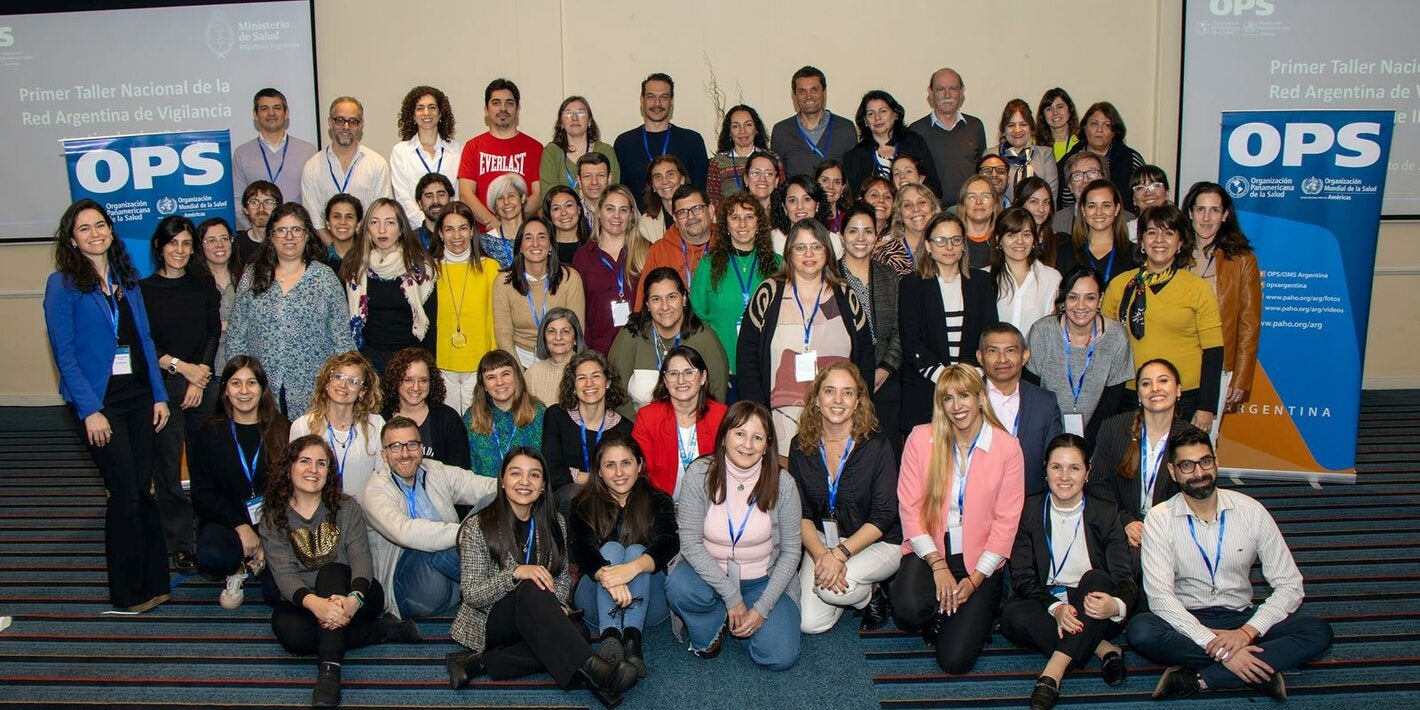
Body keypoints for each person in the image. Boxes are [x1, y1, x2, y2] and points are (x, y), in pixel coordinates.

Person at [1128, 427, 1333, 701]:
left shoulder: (1251, 510)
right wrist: (1211, 640)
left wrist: (1247, 633)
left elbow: (1290, 585)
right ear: (1173, 472)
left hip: (1242, 618)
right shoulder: (1159, 518)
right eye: (1187, 466)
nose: (1199, 473)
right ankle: (1254, 669)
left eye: (1205, 462)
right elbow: (1161, 598)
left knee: (1317, 631)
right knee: (1141, 630)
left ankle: (1199, 679)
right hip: (1188, 620)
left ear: (1216, 462)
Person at [43, 199, 173, 613]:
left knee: (143, 490)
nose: (96, 233)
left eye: (101, 225)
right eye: (85, 228)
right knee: (124, 495)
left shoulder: (126, 279)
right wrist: (89, 410)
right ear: (72, 239)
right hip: (100, 403)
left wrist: (159, 395)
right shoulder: (62, 284)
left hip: (139, 399)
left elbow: (146, 342)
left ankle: (155, 580)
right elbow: (64, 355)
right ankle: (127, 591)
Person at [446, 447, 642, 705]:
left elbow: (561, 580)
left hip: (537, 614)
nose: (525, 482)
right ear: (503, 481)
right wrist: (515, 574)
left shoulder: (554, 522)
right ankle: (597, 670)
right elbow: (471, 594)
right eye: (516, 473)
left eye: (534, 475)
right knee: (530, 586)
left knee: (578, 632)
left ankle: (479, 663)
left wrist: (557, 605)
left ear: (542, 486)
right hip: (492, 619)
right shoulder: (477, 525)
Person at [261, 435, 420, 708]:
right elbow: (284, 575)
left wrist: (353, 599)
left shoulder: (346, 507)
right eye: (305, 461)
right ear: (289, 468)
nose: (313, 469)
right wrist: (318, 606)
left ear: (329, 472)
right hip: (306, 600)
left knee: (331, 571)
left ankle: (329, 671)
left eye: (321, 463)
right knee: (292, 635)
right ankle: (383, 631)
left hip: (357, 594)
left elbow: (361, 560)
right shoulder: (273, 515)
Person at [893, 364, 1024, 674]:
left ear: (980, 397)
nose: (956, 406)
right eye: (947, 398)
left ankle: (970, 609)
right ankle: (941, 606)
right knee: (908, 610)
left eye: (964, 396)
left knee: (953, 661)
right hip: (931, 550)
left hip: (980, 559)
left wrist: (975, 580)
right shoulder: (920, 438)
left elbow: (1007, 523)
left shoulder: (1007, 448)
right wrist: (938, 566)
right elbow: (909, 508)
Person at [1000, 434, 1135, 710]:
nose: (1064, 476)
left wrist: (1116, 605)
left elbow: (1123, 578)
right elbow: (1023, 577)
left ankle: (1053, 673)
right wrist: (1056, 608)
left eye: (1074, 468)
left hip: (1093, 603)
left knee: (1096, 579)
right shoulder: (1028, 510)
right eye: (1056, 467)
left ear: (1087, 473)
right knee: (1012, 616)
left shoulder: (1106, 512)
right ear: (1045, 470)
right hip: (1047, 600)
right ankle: (1103, 648)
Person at [666, 401, 803, 669]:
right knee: (679, 587)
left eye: (757, 437)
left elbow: (791, 551)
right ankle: (715, 623)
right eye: (739, 433)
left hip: (762, 580)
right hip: (706, 576)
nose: (747, 444)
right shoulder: (699, 474)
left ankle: (738, 622)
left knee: (780, 657)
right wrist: (732, 597)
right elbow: (691, 544)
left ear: (767, 445)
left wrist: (762, 609)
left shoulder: (783, 483)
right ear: (725, 435)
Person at [739, 218, 876, 462]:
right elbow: (747, 355)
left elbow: (864, 352)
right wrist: (758, 413)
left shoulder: (844, 295)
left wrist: (861, 407)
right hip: (781, 422)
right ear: (788, 253)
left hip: (837, 417)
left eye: (816, 246)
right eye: (800, 247)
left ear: (827, 250)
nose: (808, 254)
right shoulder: (769, 292)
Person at [789, 363, 901, 633]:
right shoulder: (800, 445)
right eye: (829, 391)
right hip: (823, 542)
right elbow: (800, 512)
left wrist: (839, 555)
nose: (838, 400)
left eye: (847, 393)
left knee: (830, 591)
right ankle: (864, 593)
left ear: (858, 402)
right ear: (816, 399)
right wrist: (820, 556)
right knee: (808, 624)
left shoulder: (877, 446)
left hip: (878, 542)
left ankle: (868, 589)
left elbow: (884, 515)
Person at [140, 215, 219, 573]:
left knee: (206, 464)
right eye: (173, 243)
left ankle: (209, 536)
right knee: (167, 467)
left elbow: (211, 333)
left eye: (187, 243)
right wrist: (180, 368)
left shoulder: (203, 284)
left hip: (201, 383)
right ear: (159, 246)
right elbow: (144, 343)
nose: (180, 250)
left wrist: (198, 376)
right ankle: (180, 542)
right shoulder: (141, 290)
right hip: (161, 386)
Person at [225, 202, 355, 419]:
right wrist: (238, 383)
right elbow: (237, 334)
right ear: (271, 237)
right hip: (261, 389)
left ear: (307, 236)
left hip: (314, 389)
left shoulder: (325, 278)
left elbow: (341, 337)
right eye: (281, 230)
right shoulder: (252, 275)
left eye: (296, 230)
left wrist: (348, 382)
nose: (289, 237)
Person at [361, 416, 496, 619]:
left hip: (453, 581)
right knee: (426, 544)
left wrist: (521, 486)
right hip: (411, 594)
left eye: (412, 444)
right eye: (396, 446)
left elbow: (482, 486)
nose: (405, 454)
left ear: (422, 448)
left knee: (494, 499)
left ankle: (487, 586)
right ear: (384, 454)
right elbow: (405, 532)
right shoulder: (374, 491)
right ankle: (497, 586)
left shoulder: (435, 470)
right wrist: (466, 533)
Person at [1103, 204, 1223, 429]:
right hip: (1128, 393)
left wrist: (1206, 407)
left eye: (1169, 233)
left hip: (1184, 396)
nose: (1159, 239)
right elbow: (1103, 345)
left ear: (1180, 243)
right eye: (1152, 232)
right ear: (1141, 241)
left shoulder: (1197, 288)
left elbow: (1214, 349)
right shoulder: (1120, 285)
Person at [570, 432, 679, 675]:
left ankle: (631, 641)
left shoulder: (659, 500)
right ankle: (610, 637)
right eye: (610, 465)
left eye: (626, 463)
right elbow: (582, 548)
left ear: (639, 465)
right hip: (596, 603)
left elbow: (668, 542)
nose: (619, 473)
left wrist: (631, 568)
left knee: (637, 551)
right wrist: (608, 576)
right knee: (610, 549)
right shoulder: (582, 503)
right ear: (598, 471)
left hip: (648, 603)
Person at [189, 356, 289, 609]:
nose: (244, 391)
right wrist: (240, 526)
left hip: (276, 522)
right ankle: (236, 566)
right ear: (225, 390)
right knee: (213, 556)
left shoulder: (283, 429)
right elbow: (202, 493)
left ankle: (260, 555)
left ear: (262, 388)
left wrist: (268, 534)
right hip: (227, 521)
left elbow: (292, 491)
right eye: (235, 383)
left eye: (251, 383)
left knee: (277, 596)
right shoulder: (209, 432)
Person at [1088, 359, 1195, 592]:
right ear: (1139, 394)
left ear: (1178, 391)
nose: (1155, 388)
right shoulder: (1113, 427)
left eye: (1163, 381)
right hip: (1120, 524)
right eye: (1146, 384)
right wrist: (1126, 521)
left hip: (1171, 530)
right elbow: (1098, 484)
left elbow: (1197, 495)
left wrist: (1156, 528)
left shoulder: (1192, 437)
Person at [897, 212, 998, 433]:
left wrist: (966, 380)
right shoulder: (912, 285)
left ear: (964, 244)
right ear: (928, 246)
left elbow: (989, 335)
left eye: (955, 240)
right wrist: (945, 378)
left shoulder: (981, 282)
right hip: (925, 388)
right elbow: (911, 340)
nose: (949, 246)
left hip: (971, 387)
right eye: (940, 240)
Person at [1184, 182, 1262, 436]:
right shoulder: (1173, 254)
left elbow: (1249, 322)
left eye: (1214, 210)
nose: (1206, 218)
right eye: (1200, 210)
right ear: (1190, 212)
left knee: (1205, 438)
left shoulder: (1242, 260)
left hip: (1216, 365)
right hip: (1176, 360)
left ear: (1225, 215)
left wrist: (1240, 377)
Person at [1026, 268, 1135, 440]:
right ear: (1063, 299)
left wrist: (1088, 444)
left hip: (1099, 435)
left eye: (1090, 297)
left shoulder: (1116, 336)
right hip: (1045, 432)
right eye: (1073, 297)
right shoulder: (1042, 332)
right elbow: (1031, 394)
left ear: (1101, 299)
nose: (1081, 306)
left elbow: (1113, 402)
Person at [692, 192, 780, 399]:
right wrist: (712, 368)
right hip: (723, 372)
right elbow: (697, 320)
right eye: (734, 217)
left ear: (759, 223)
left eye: (749, 217)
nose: (742, 224)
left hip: (768, 370)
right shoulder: (708, 266)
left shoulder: (778, 265)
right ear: (725, 225)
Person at [339, 197, 437, 373]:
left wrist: (428, 367)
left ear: (401, 228)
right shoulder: (354, 267)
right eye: (374, 222)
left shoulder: (422, 268)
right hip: (367, 359)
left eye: (390, 222)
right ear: (366, 229)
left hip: (411, 360)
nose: (382, 230)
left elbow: (431, 324)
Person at [610, 267, 729, 409]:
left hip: (692, 428)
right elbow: (616, 393)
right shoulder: (632, 335)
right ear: (647, 304)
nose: (665, 307)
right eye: (656, 299)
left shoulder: (705, 339)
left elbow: (716, 400)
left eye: (671, 297)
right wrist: (640, 429)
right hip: (636, 427)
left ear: (684, 298)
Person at [838, 202, 903, 454]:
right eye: (853, 231)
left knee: (886, 453)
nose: (861, 238)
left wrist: (885, 368)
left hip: (884, 380)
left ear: (876, 237)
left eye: (868, 231)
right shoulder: (830, 276)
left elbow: (901, 328)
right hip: (844, 380)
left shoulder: (889, 275)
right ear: (842, 237)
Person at [543, 350, 635, 517]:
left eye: (596, 376)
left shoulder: (624, 428)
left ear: (608, 383)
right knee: (574, 495)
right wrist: (599, 480)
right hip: (565, 501)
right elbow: (552, 471)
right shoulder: (556, 416)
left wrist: (578, 476)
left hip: (610, 498)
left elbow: (627, 473)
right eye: (581, 378)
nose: (589, 384)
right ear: (573, 387)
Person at [978, 323, 1065, 496]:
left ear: (1025, 356)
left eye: (1010, 350)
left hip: (1029, 504)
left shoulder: (1045, 402)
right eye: (993, 351)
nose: (1002, 359)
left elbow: (1055, 459)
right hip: (975, 501)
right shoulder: (965, 398)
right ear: (980, 357)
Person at [630, 345, 728, 497]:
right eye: (673, 374)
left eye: (689, 373)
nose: (681, 380)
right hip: (660, 504)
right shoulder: (648, 417)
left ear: (703, 377)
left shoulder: (721, 415)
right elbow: (642, 472)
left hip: (710, 503)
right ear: (665, 380)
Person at [430, 200, 499, 414]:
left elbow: (496, 317)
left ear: (472, 231)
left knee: (477, 427)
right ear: (440, 233)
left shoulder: (490, 267)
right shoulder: (430, 269)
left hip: (479, 364)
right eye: (449, 229)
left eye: (462, 228)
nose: (456, 236)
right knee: (447, 429)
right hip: (442, 363)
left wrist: (494, 361)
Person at [288, 351, 385, 500]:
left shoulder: (376, 425)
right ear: (327, 383)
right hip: (317, 516)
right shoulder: (302, 426)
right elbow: (293, 478)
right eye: (338, 376)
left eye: (353, 381)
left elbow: (383, 478)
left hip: (362, 517)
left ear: (362, 392)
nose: (343, 385)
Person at [492, 217, 586, 368]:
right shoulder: (504, 282)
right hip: (520, 359)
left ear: (550, 246)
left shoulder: (570, 278)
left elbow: (576, 331)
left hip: (562, 358)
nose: (535, 243)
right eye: (528, 238)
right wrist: (519, 376)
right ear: (520, 247)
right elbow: (504, 338)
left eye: (542, 237)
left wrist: (563, 370)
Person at [300, 97, 392, 243]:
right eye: (340, 120)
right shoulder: (312, 167)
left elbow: (381, 216)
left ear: (360, 125)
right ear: (330, 123)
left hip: (368, 251)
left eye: (353, 121)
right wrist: (337, 252)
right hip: (327, 254)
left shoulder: (377, 164)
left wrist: (359, 251)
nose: (346, 127)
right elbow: (315, 222)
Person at [573, 184, 651, 354]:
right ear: (599, 212)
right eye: (610, 209)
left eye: (623, 210)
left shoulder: (647, 251)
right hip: (598, 351)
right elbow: (579, 309)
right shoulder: (583, 256)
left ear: (631, 215)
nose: (617, 216)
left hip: (641, 349)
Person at [457, 79, 544, 227]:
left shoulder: (535, 148)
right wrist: (495, 224)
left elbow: (539, 194)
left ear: (517, 108)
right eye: (496, 103)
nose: (503, 108)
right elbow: (466, 194)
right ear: (486, 109)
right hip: (485, 236)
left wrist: (513, 222)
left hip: (524, 236)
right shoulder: (473, 147)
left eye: (509, 103)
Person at [614, 73, 709, 208]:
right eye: (651, 97)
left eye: (663, 97)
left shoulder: (692, 141)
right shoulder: (624, 143)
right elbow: (621, 193)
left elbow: (701, 192)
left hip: (683, 223)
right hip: (638, 225)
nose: (657, 103)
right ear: (642, 100)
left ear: (671, 101)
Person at [232, 88, 318, 230]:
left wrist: (300, 232)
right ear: (255, 114)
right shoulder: (242, 153)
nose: (271, 113)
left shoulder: (308, 151)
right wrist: (261, 233)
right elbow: (237, 202)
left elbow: (315, 201)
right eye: (264, 108)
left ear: (286, 113)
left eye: (276, 108)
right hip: (258, 239)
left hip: (297, 237)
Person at [380, 347, 469, 469]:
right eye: (408, 380)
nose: (416, 387)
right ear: (395, 380)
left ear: (431, 382)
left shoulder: (448, 419)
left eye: (423, 380)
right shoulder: (380, 419)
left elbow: (460, 472)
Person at [909, 68, 987, 208]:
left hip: (971, 210)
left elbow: (982, 171)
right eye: (940, 89)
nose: (947, 94)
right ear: (930, 92)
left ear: (961, 91)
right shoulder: (916, 131)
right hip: (932, 213)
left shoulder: (975, 126)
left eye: (953, 88)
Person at [464, 350, 546, 477]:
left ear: (517, 377)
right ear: (484, 385)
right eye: (491, 377)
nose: (500, 382)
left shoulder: (539, 413)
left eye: (505, 374)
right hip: (485, 493)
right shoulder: (471, 418)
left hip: (528, 491)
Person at [843, 89, 939, 199]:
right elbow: (854, 199)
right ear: (865, 121)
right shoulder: (854, 157)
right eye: (871, 114)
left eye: (883, 111)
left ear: (895, 114)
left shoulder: (914, 143)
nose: (877, 118)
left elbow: (934, 187)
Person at [389, 86, 461, 226]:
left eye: (432, 107)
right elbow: (403, 199)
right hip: (416, 231)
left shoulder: (456, 150)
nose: (426, 113)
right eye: (420, 108)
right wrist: (427, 225)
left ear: (440, 114)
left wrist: (448, 225)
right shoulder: (400, 152)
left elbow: (458, 195)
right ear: (413, 115)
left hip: (452, 231)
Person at [768, 66, 856, 179]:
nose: (808, 96)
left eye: (814, 90)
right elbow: (778, 177)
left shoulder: (846, 128)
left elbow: (853, 176)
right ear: (794, 95)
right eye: (802, 91)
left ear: (824, 92)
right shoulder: (781, 131)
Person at [1059, 102, 1147, 214]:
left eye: (1107, 125)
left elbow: (1143, 195)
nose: (1099, 130)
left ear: (1114, 131)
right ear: (1084, 128)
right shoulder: (1068, 161)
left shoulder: (1130, 158)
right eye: (1094, 124)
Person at [635, 184, 716, 306]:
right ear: (675, 219)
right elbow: (643, 300)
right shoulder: (659, 250)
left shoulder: (727, 243)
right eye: (682, 212)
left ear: (710, 210)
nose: (691, 216)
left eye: (697, 208)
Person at [991, 206, 1062, 336]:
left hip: (1038, 355)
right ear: (998, 239)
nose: (1020, 241)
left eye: (1026, 235)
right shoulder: (985, 277)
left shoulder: (1051, 278)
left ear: (1034, 240)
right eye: (1011, 235)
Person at [1057, 179, 1137, 286]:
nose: (1098, 212)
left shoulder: (1134, 255)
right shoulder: (1065, 253)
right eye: (1092, 206)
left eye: (1106, 205)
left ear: (1117, 209)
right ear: (1083, 210)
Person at [540, 95, 620, 196]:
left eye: (580, 113)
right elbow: (549, 195)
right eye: (568, 113)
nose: (574, 118)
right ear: (561, 123)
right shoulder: (552, 152)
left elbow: (613, 192)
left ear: (589, 121)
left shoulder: (605, 150)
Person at [986, 98, 1060, 204]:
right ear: (1004, 129)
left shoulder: (1045, 155)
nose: (1017, 130)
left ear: (1031, 127)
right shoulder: (991, 156)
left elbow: (1051, 200)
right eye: (1011, 125)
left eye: (1023, 124)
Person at [195, 216, 241, 373]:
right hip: (207, 367)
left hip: (246, 364)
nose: (219, 245)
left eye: (224, 238)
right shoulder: (193, 284)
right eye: (211, 240)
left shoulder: (248, 277)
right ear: (200, 246)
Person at [707, 104, 774, 209]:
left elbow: (779, 194)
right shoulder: (718, 162)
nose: (742, 131)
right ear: (729, 132)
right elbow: (713, 198)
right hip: (729, 221)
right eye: (735, 126)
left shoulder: (771, 159)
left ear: (756, 129)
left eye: (748, 125)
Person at [524, 307, 586, 406]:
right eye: (551, 331)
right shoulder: (533, 372)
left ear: (575, 339)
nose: (558, 337)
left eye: (565, 331)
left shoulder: (587, 370)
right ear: (544, 338)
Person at [874, 182, 939, 275]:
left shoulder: (946, 247)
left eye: (922, 202)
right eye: (907, 205)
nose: (916, 209)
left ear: (933, 209)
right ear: (899, 214)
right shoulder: (887, 255)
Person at [769, 176, 842, 255]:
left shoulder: (834, 242)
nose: (800, 207)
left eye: (807, 199)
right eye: (792, 200)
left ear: (817, 205)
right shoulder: (772, 240)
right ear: (784, 207)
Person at [1051, 152, 1111, 235]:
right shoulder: (1056, 222)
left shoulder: (1127, 221)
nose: (1085, 180)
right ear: (1069, 186)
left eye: (1092, 173)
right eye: (1077, 175)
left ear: (1105, 179)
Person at [479, 172, 528, 267]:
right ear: (495, 206)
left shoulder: (538, 236)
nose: (506, 202)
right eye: (500, 198)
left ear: (522, 198)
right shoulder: (485, 243)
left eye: (511, 195)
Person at [1015, 176, 1065, 268]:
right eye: (1034, 202)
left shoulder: (1061, 243)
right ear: (1019, 204)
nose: (1041, 209)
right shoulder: (1009, 242)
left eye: (1046, 202)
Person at [638, 154, 689, 243]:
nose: (665, 181)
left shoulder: (701, 213)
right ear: (653, 186)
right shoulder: (646, 223)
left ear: (682, 180)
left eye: (670, 174)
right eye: (658, 177)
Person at [959, 174, 1001, 268]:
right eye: (972, 197)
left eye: (985, 196)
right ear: (963, 204)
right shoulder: (953, 242)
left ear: (995, 204)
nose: (978, 202)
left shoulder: (1004, 241)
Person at [543, 184, 592, 265]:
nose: (564, 213)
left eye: (568, 205)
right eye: (556, 208)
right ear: (549, 215)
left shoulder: (594, 247)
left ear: (579, 209)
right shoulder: (543, 248)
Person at [236, 181, 282, 263]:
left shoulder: (288, 241)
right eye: (254, 202)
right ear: (245, 209)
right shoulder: (236, 246)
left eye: (268, 202)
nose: (261, 208)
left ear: (278, 208)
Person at [1126, 164, 1172, 243]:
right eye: (1140, 188)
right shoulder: (1125, 232)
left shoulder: (1179, 227)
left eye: (1155, 186)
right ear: (1134, 199)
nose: (1148, 193)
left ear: (1167, 193)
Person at [320, 193, 363, 272]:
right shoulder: (319, 262)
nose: (343, 222)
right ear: (328, 223)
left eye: (349, 217)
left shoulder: (369, 259)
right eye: (336, 216)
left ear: (358, 224)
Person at [1036, 88, 1080, 161]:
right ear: (1043, 115)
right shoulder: (1035, 144)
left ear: (1070, 110)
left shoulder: (1081, 141)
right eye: (1049, 109)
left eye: (1060, 107)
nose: (1055, 113)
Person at [412, 173, 453, 250]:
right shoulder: (409, 241)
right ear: (420, 203)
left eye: (441, 195)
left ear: (451, 199)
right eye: (428, 196)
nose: (435, 201)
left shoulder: (462, 238)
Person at [743, 150, 782, 218]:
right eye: (756, 173)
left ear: (776, 181)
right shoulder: (735, 214)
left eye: (769, 174)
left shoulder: (785, 213)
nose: (762, 179)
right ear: (746, 179)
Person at [814, 160, 851, 233]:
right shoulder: (807, 217)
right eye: (825, 180)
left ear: (842, 188)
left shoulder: (849, 220)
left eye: (837, 182)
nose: (830, 187)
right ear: (815, 184)